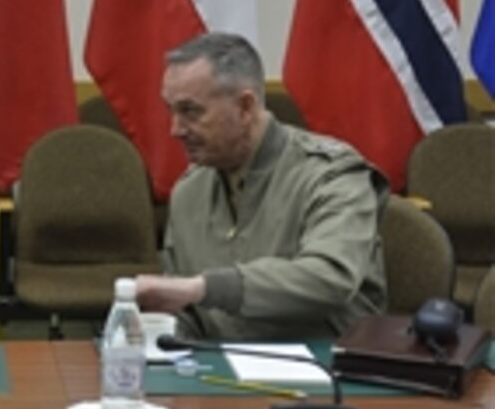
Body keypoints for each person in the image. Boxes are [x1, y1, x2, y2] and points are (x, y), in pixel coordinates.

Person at [136, 32, 388, 340]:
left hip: (324, 372)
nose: (175, 130)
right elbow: (188, 312)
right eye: (170, 111)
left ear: (245, 107)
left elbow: (330, 278)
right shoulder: (190, 190)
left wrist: (207, 288)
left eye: (191, 111)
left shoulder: (332, 175)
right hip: (221, 376)